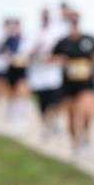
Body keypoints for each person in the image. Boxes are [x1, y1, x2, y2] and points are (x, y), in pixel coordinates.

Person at [53, 10, 94, 156]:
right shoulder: (63, 42)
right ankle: (75, 144)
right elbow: (50, 58)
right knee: (72, 115)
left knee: (87, 111)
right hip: (69, 84)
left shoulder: (89, 40)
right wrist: (61, 60)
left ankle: (85, 137)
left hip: (86, 82)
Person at [26, 7, 66, 142]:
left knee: (55, 102)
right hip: (38, 75)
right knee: (42, 103)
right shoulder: (34, 33)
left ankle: (52, 121)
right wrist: (36, 49)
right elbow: (26, 53)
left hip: (54, 75)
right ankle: (45, 126)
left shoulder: (57, 33)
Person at [0, 18, 30, 131]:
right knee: (12, 95)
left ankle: (22, 119)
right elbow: (0, 51)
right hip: (11, 69)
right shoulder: (8, 39)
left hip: (22, 69)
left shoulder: (25, 39)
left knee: (21, 93)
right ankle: (13, 119)